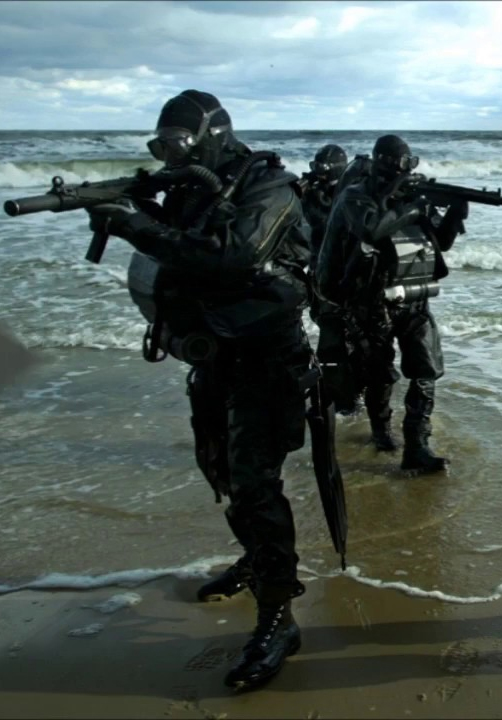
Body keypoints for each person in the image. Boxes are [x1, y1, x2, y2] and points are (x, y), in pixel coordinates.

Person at [85, 89, 338, 692]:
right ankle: (256, 557)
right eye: (160, 146)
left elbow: (235, 254)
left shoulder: (269, 186)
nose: (169, 156)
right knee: (220, 470)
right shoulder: (193, 190)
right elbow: (178, 249)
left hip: (265, 360)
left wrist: (136, 227)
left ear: (212, 137)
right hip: (214, 355)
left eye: (178, 144)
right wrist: (128, 209)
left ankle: (278, 615)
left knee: (255, 484)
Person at [315, 133, 468, 474]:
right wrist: (412, 207)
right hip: (369, 299)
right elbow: (371, 229)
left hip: (412, 295)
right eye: (399, 164)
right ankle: (382, 432)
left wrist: (455, 214)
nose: (404, 171)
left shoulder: (411, 196)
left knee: (426, 368)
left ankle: (418, 445)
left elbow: (440, 242)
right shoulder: (356, 196)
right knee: (380, 372)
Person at [299, 143, 364, 415]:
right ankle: (344, 398)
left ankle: (348, 400)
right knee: (335, 340)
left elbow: (329, 222)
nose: (318, 172)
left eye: (322, 167)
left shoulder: (351, 195)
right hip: (321, 278)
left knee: (341, 343)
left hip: (342, 279)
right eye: (315, 166)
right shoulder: (311, 194)